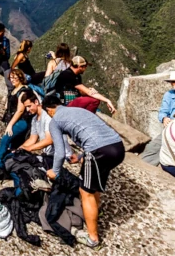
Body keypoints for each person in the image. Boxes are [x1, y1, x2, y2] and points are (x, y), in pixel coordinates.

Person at [43, 95, 125, 249]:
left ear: (49, 110)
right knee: (93, 185)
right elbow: (94, 133)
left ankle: (93, 239)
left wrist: (55, 171)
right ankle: (96, 213)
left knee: (85, 191)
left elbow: (59, 153)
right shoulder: (77, 110)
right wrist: (80, 156)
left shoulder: (55, 121)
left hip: (98, 152)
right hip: (117, 147)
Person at [0, 69, 33, 182]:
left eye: (14, 77)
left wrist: (10, 125)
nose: (12, 79)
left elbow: (20, 111)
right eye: (10, 78)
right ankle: (8, 170)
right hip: (13, 120)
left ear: (20, 77)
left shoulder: (23, 91)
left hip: (21, 121)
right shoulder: (14, 90)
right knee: (13, 147)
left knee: (5, 140)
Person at [19, 89, 75, 165]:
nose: (27, 110)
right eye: (26, 107)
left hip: (62, 156)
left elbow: (49, 140)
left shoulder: (47, 116)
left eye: (29, 106)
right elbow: (32, 138)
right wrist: (20, 148)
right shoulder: (34, 119)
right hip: (49, 155)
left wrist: (29, 148)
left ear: (36, 102)